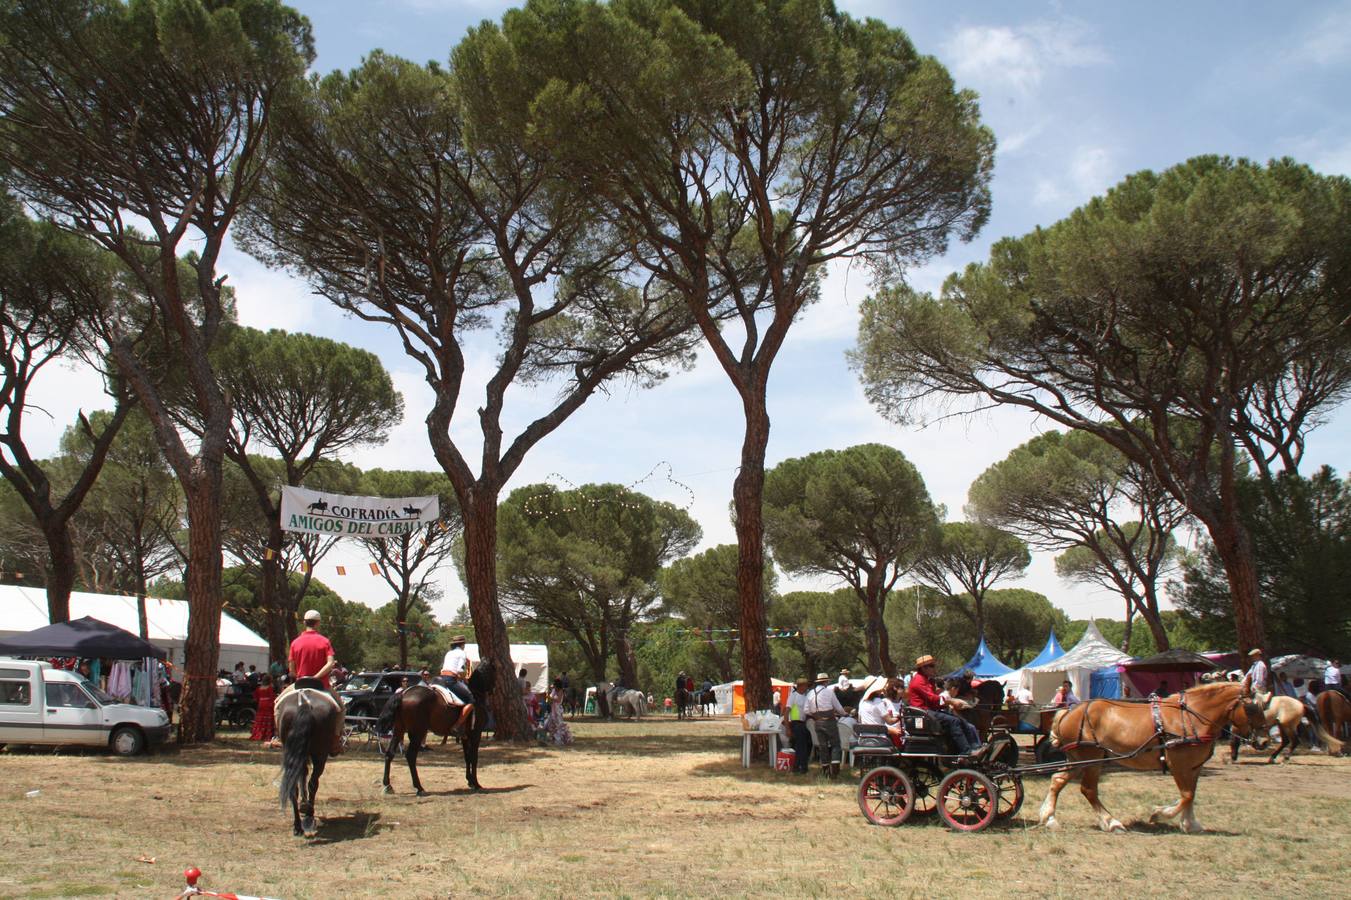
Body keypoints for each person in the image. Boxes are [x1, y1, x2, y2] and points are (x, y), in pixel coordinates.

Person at [275, 609, 345, 756]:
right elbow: (330, 663)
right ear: (318, 623)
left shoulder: (295, 642)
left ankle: (280, 736)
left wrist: (301, 675)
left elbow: (292, 669)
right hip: (322, 685)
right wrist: (317, 676)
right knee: (341, 709)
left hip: (300, 683)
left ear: (304, 622)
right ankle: (335, 740)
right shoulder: (324, 641)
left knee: (277, 704)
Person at [908, 655, 980, 756]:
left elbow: (934, 701)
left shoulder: (927, 680)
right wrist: (951, 701)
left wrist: (946, 705)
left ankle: (975, 746)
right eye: (932, 666)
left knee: (960, 720)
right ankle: (965, 751)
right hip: (923, 712)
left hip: (930, 711)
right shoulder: (919, 681)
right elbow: (932, 698)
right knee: (954, 721)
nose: (934, 668)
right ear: (924, 668)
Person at [803, 672, 847, 778]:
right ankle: (835, 772)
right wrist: (845, 714)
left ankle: (825, 771)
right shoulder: (829, 692)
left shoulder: (810, 693)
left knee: (823, 747)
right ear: (826, 682)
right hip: (830, 721)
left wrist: (815, 715)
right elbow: (839, 708)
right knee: (835, 744)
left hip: (817, 722)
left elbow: (806, 710)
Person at [782, 676, 813, 774]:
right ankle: (799, 767)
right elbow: (786, 712)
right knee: (801, 746)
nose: (806, 688)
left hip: (803, 723)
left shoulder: (805, 697)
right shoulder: (793, 696)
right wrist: (788, 728)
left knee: (805, 745)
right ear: (800, 686)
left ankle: (801, 765)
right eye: (805, 686)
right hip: (796, 723)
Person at [438, 635, 474, 705]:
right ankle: (462, 716)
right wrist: (465, 679)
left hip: (441, 679)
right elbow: (460, 670)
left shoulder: (449, 653)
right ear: (463, 644)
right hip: (451, 680)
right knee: (471, 698)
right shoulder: (462, 653)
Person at [545, 678, 573, 746]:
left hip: (557, 708)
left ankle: (560, 739)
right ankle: (553, 737)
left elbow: (558, 700)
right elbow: (550, 698)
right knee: (550, 723)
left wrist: (550, 697)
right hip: (553, 708)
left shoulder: (560, 691)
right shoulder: (554, 690)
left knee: (558, 724)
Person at [251, 674, 276, 744]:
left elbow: (255, 696)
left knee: (260, 718)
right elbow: (272, 697)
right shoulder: (269, 688)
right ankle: (267, 734)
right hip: (268, 703)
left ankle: (258, 733)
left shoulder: (259, 688)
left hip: (261, 703)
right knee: (268, 718)